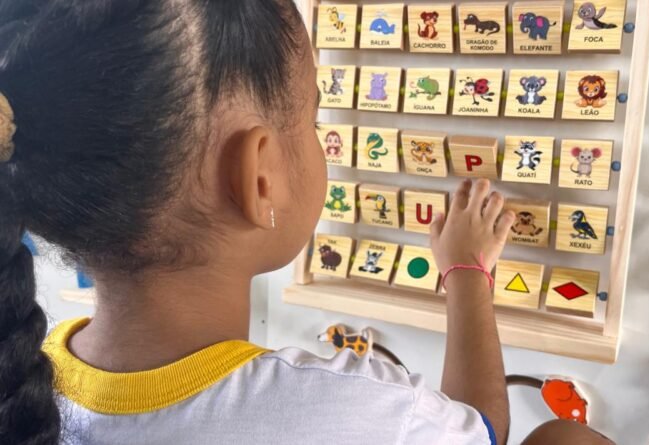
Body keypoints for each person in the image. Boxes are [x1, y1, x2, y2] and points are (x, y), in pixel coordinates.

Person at [0, 1, 614, 444]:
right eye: (315, 120)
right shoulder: (367, 413)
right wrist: (468, 272)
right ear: (259, 177)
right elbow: (480, 429)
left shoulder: (25, 379)